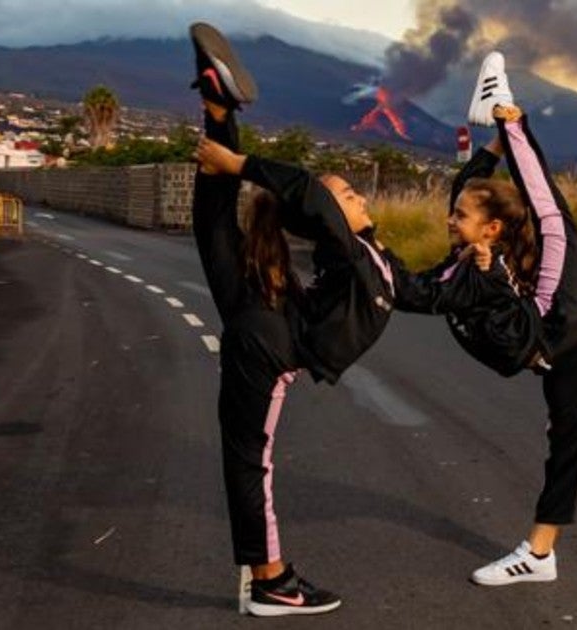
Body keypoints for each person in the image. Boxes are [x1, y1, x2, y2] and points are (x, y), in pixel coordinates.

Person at [186, 22, 397, 617]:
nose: (355, 198)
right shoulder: (337, 245)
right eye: (346, 195)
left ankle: (216, 105)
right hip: (271, 342)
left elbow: (429, 291)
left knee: (214, 228)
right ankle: (272, 581)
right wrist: (240, 161)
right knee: (252, 462)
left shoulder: (353, 256)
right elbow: (306, 189)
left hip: (266, 323)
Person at [389, 51, 577, 586]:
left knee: (567, 445)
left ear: (495, 229)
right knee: (565, 443)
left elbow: (539, 199)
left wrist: (507, 126)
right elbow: (414, 291)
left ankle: (540, 553)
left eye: (459, 218)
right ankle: (502, 117)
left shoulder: (544, 252)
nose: (448, 219)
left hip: (557, 336)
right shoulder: (468, 260)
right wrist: (360, 248)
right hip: (529, 337)